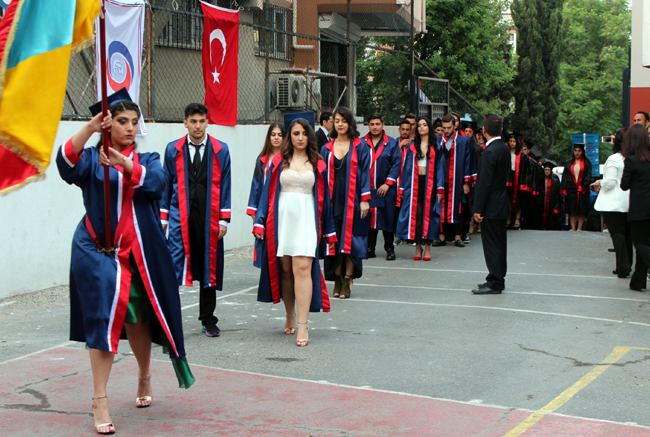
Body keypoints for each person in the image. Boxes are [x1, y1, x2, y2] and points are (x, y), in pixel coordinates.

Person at [57, 97, 194, 435]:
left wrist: (122, 162)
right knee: (102, 321)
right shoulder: (91, 159)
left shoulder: (147, 159)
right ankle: (99, 399)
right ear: (108, 125)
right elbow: (65, 163)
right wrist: (90, 128)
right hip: (97, 251)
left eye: (135, 121)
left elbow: (157, 184)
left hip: (139, 254)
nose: (131, 127)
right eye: (122, 121)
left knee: (138, 321)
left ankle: (144, 376)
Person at [253, 119, 337, 346]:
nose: (300, 137)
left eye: (304, 133)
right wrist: (260, 221)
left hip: (307, 219)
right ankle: (290, 313)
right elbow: (266, 193)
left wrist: (329, 231)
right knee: (286, 271)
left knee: (302, 268)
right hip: (282, 220)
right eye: (296, 133)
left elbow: (325, 199)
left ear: (310, 136)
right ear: (290, 136)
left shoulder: (319, 163)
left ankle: (303, 324)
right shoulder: (278, 161)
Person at [161, 103, 231, 338]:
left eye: (202, 121)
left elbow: (226, 184)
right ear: (185, 123)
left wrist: (224, 219)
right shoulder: (173, 150)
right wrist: (163, 218)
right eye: (193, 121)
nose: (198, 126)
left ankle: (208, 319)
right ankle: (169, 319)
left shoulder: (221, 150)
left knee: (208, 266)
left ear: (207, 122)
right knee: (174, 265)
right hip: (180, 217)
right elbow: (166, 184)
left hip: (209, 218)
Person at [320, 107, 371, 299]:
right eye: (337, 121)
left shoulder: (360, 146)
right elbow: (321, 175)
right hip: (332, 200)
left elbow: (365, 173)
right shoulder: (326, 148)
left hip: (354, 200)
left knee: (351, 240)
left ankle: (348, 279)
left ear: (350, 123)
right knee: (334, 239)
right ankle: (338, 278)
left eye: (343, 120)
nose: (340, 124)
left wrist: (365, 199)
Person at [472, 114, 510, 294]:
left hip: (491, 206)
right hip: (501, 202)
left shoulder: (489, 152)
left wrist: (478, 208)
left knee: (492, 245)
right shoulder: (504, 149)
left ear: (484, 131)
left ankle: (494, 281)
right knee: (500, 244)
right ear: (501, 130)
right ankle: (498, 278)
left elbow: (484, 183)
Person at [396, 117, 444, 260]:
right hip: (414, 184)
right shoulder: (412, 146)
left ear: (429, 127)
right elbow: (406, 168)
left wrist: (440, 189)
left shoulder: (436, 147)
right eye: (419, 125)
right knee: (416, 215)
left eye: (424, 125)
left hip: (430, 185)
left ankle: (428, 247)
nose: (421, 127)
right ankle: (418, 246)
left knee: (429, 216)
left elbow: (440, 169)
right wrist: (402, 188)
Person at [592, 128, 632, 278]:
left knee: (617, 234)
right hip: (629, 201)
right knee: (627, 235)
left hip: (614, 203)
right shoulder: (635, 158)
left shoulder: (614, 159)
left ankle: (622, 266)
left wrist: (599, 182)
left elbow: (609, 182)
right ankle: (627, 264)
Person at [364, 113, 402, 261]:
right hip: (368, 188)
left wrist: (387, 183)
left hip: (386, 189)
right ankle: (369, 248)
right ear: (368, 125)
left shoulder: (392, 143)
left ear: (383, 125)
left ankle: (389, 248)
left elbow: (396, 164)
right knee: (369, 217)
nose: (375, 127)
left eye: (377, 124)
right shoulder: (361, 143)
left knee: (388, 218)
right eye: (372, 124)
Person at [247, 123, 284, 268]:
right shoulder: (262, 160)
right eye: (273, 134)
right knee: (264, 240)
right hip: (264, 207)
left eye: (280, 135)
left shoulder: (288, 159)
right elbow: (255, 185)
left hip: (281, 204)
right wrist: (254, 212)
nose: (276, 138)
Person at [435, 113, 475, 247]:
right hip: (441, 179)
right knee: (441, 207)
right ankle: (441, 237)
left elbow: (468, 162)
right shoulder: (437, 141)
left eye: (449, 127)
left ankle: (458, 237)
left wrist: (466, 182)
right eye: (444, 128)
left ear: (454, 126)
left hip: (457, 179)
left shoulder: (463, 141)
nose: (446, 130)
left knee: (457, 208)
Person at [620, 124, 650, 291]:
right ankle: (638, 281)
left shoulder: (631, 160)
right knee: (645, 243)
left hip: (639, 207)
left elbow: (624, 186)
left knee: (640, 243)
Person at [560, 143, 592, 231]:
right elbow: (565, 176)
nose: (577, 153)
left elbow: (588, 176)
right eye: (575, 150)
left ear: (582, 152)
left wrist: (583, 187)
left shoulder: (587, 163)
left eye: (579, 151)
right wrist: (563, 188)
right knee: (572, 209)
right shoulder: (569, 163)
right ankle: (573, 228)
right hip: (571, 189)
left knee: (581, 209)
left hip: (582, 190)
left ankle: (579, 228)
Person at [505, 133, 530, 229]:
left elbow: (526, 170)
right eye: (510, 141)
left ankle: (517, 219)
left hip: (519, 178)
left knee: (518, 199)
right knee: (508, 198)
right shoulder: (506, 153)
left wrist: (525, 183)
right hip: (508, 178)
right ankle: (508, 218)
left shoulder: (522, 155)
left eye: (514, 141)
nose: (512, 143)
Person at [540, 161, 563, 230]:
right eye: (545, 170)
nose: (547, 172)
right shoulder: (540, 180)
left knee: (551, 219)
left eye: (548, 170)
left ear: (551, 171)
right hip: (542, 201)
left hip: (551, 202)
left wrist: (556, 206)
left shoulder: (554, 181)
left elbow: (557, 195)